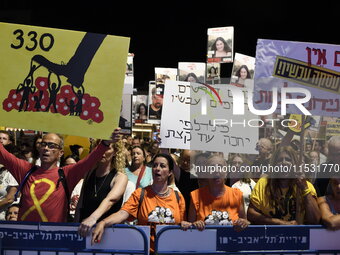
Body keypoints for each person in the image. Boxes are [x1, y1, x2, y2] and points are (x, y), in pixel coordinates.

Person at [0, 128, 121, 222]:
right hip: (26, 239)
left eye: (52, 146)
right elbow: (2, 154)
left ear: (60, 153)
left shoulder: (67, 173)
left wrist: (105, 143)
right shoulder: (25, 170)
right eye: (44, 144)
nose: (46, 148)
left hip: (54, 240)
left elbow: (89, 160)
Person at [91, 153, 186, 254]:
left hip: (170, 251)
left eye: (162, 166)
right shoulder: (140, 193)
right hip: (145, 251)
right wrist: (103, 222)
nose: (157, 169)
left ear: (170, 172)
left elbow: (183, 225)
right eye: (155, 165)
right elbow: (122, 213)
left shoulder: (178, 197)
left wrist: (187, 224)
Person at [247, 146, 320, 225]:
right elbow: (251, 214)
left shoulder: (306, 185)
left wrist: (305, 190)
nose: (284, 163)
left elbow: (315, 220)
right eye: (280, 160)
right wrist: (280, 222)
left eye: (288, 160)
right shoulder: (263, 184)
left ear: (295, 164)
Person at [181, 154, 249, 231]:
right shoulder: (195, 196)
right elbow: (190, 228)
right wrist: (195, 224)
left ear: (226, 172)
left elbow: (245, 223)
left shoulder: (237, 195)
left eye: (220, 167)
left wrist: (243, 223)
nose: (216, 170)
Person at [76, 141, 128, 236]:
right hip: (84, 230)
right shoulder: (89, 173)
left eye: (108, 148)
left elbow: (110, 200)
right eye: (99, 147)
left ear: (115, 152)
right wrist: (74, 225)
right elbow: (81, 203)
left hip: (108, 233)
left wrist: (92, 218)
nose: (102, 151)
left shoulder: (120, 177)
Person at [0, 131, 18, 220]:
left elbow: (10, 198)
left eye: (4, 138)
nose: (1, 141)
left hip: (4, 220)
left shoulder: (13, 170)